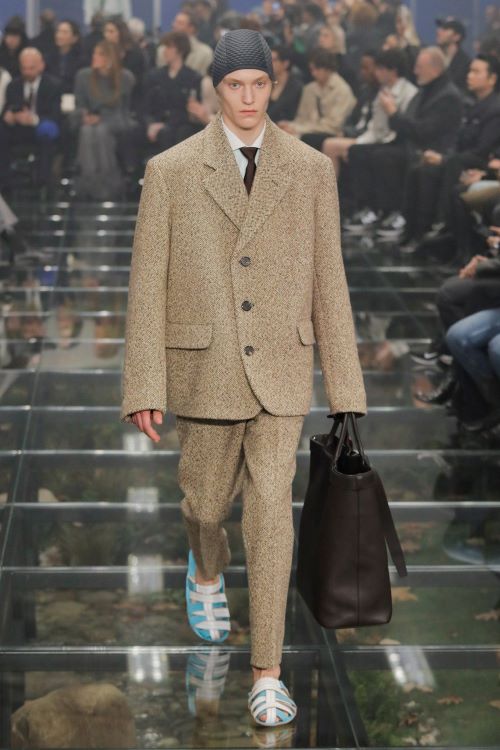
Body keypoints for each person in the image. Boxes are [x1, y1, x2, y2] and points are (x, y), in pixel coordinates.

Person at [120, 28, 366, 728]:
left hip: (282, 367)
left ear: (274, 85)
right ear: (216, 89)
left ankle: (267, 672)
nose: (249, 97)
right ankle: (204, 568)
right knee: (204, 506)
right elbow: (147, 282)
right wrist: (143, 383)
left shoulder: (311, 169)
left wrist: (346, 389)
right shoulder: (172, 169)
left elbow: (329, 279)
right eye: (235, 85)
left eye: (259, 84)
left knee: (270, 513)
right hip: (205, 366)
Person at [71, 40, 137, 200]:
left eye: (100, 54)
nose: (94, 57)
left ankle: (108, 184)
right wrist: (85, 116)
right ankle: (89, 182)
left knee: (101, 131)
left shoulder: (125, 77)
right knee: (87, 131)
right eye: (94, 53)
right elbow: (79, 105)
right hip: (89, 122)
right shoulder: (83, 76)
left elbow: (125, 110)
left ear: (110, 58)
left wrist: (101, 118)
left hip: (116, 120)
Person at [0, 47, 61, 192]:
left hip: (40, 128)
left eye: (31, 68)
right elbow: (7, 109)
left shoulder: (53, 86)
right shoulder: (13, 86)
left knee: (47, 134)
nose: (27, 72)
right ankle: (5, 182)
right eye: (24, 68)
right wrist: (8, 117)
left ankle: (42, 184)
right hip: (17, 130)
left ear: (41, 66)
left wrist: (33, 119)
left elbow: (55, 116)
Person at [278, 48, 356, 150]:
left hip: (330, 135)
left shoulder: (342, 90)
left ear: (328, 68)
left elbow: (333, 126)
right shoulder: (309, 89)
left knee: (298, 140)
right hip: (306, 132)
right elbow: (301, 119)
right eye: (311, 69)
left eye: (317, 69)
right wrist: (290, 126)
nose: (313, 73)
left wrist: (297, 128)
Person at [144, 31, 204, 154]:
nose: (164, 51)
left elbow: (191, 110)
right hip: (157, 120)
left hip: (181, 124)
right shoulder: (155, 76)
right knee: (134, 132)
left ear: (180, 51)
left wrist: (165, 125)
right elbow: (146, 105)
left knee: (173, 133)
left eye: (169, 47)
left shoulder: (193, 78)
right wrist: (151, 123)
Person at [435, 16, 471, 94]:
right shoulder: (433, 58)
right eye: (440, 28)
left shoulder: (465, 64)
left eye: (445, 29)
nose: (438, 31)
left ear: (457, 37)